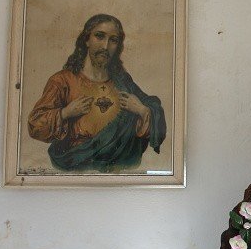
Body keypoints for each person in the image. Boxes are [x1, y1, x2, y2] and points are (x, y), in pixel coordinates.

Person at [27, 14, 166, 172]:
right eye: (99, 36)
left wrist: (142, 110)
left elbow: (155, 115)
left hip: (117, 171)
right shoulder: (62, 81)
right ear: (86, 39)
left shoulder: (122, 82)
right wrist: (65, 113)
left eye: (113, 40)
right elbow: (35, 124)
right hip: (74, 168)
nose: (105, 46)